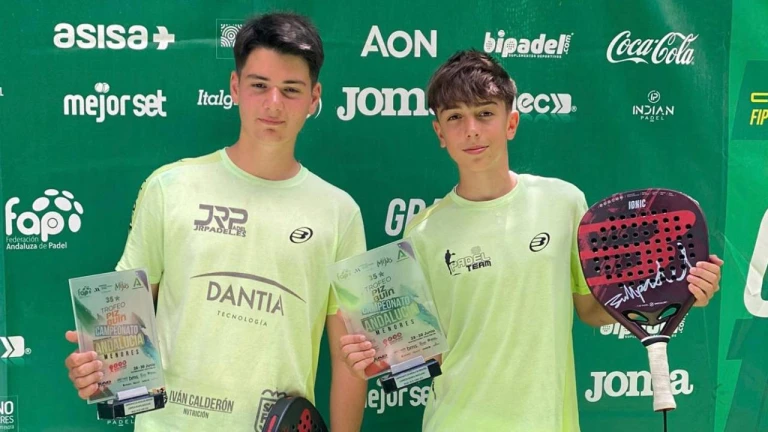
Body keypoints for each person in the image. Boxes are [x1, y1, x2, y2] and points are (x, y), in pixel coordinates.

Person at [340, 49, 723, 431]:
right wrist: (376, 362)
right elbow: (426, 360)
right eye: (455, 116)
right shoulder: (421, 232)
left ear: (511, 122)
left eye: (485, 113)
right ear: (440, 132)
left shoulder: (564, 203)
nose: (471, 129)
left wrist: (681, 290)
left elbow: (591, 310)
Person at [64, 12, 367, 432]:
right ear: (235, 87)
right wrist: (95, 370)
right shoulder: (170, 187)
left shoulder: (340, 212)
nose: (273, 103)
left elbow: (352, 356)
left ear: (314, 97)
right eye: (259, 85)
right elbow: (120, 328)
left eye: (290, 89)